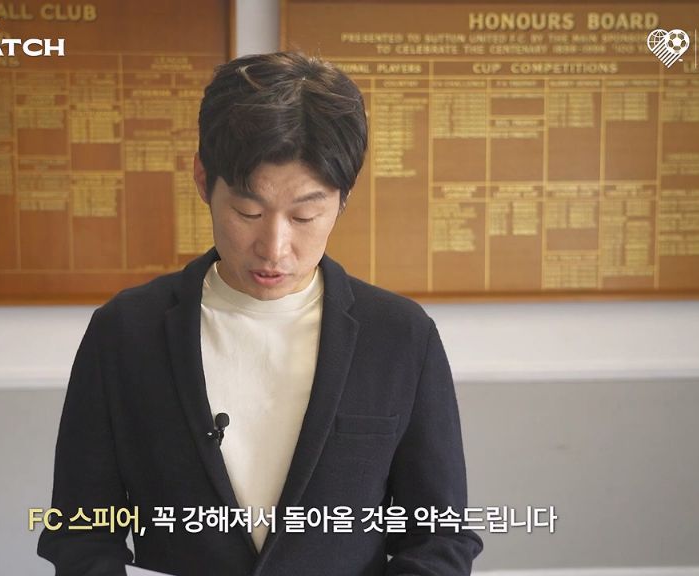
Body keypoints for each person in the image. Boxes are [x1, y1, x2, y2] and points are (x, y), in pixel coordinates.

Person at [37, 51, 483, 576]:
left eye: (305, 215)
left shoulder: (401, 337)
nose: (274, 248)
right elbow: (81, 530)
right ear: (203, 179)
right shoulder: (127, 332)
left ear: (342, 199)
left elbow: (439, 536)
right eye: (248, 211)